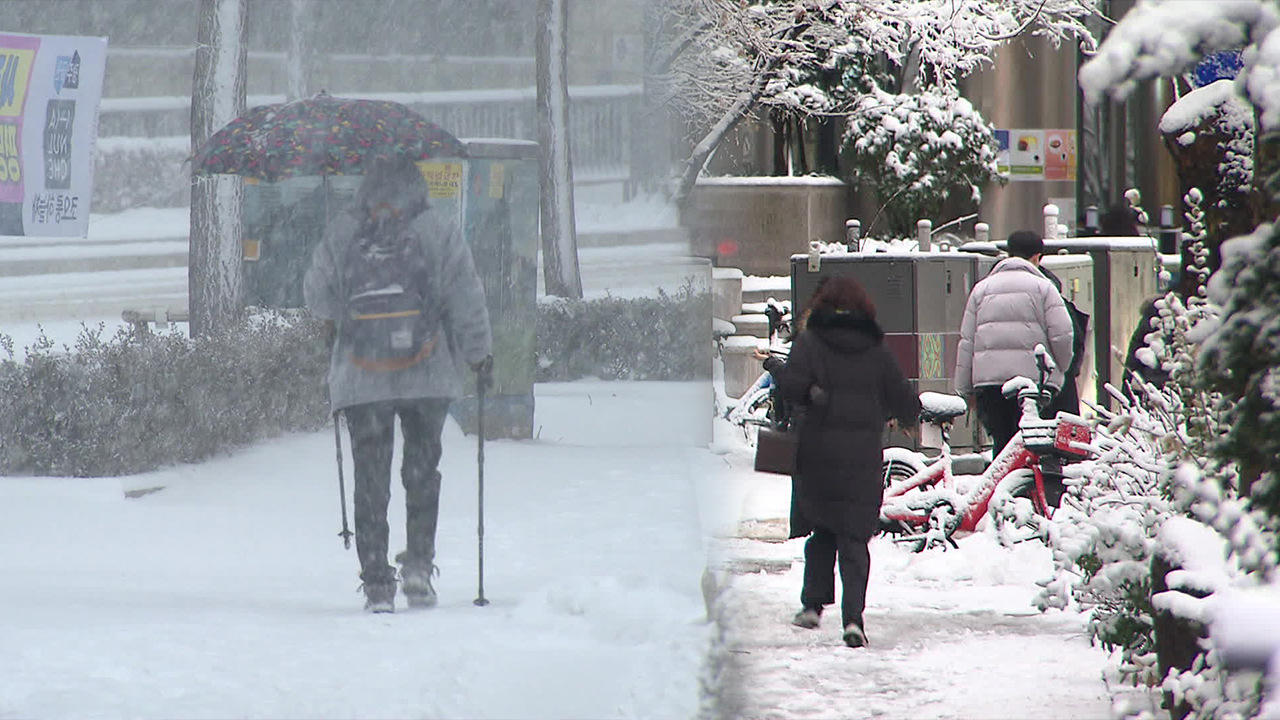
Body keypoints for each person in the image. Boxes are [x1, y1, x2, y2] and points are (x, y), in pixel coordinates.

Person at [304, 155, 493, 613]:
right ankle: (418, 569)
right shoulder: (438, 229)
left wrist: (344, 313)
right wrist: (478, 355)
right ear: (418, 182)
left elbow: (315, 295)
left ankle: (376, 584)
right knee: (421, 473)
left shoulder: (346, 229)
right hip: (427, 375)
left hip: (361, 376)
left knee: (371, 478)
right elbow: (466, 295)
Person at [762, 275, 920, 648]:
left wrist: (813, 393)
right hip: (862, 457)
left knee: (822, 532)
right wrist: (907, 414)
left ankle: (813, 606)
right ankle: (854, 620)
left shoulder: (810, 343)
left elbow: (790, 386)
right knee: (853, 538)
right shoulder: (877, 349)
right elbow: (904, 399)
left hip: (817, 453)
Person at [954, 230, 1074, 459]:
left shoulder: (981, 289)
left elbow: (967, 341)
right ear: (1038, 257)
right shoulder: (1044, 287)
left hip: (990, 387)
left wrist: (965, 389)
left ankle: (1000, 491)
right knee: (1032, 447)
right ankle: (1028, 491)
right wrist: (1060, 369)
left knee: (1003, 448)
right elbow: (1063, 336)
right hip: (1031, 385)